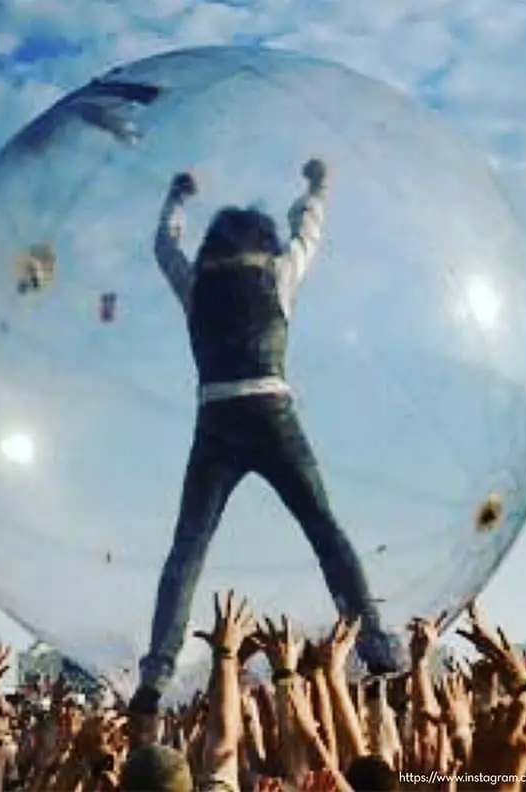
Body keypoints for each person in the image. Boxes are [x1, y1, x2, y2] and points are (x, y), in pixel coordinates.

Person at [131, 159, 401, 713]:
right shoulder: (277, 274)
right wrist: (316, 188)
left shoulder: (198, 284)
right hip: (272, 409)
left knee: (188, 549)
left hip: (217, 417)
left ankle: (155, 676)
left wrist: (176, 199)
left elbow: (163, 247)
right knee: (325, 531)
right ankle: (376, 647)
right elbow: (309, 235)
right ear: (263, 241)